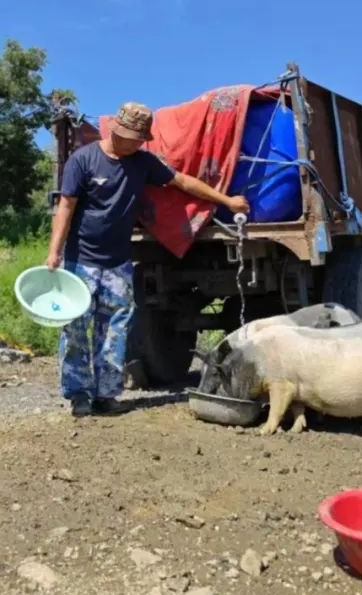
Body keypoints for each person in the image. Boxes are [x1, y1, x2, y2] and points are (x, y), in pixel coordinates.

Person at [46, 101, 249, 417]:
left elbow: (181, 181)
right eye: (134, 138)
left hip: (118, 263)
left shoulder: (142, 163)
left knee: (114, 331)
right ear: (117, 132)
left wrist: (226, 201)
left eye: (142, 139)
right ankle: (78, 395)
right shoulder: (82, 160)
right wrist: (54, 252)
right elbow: (66, 207)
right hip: (80, 262)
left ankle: (106, 395)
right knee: (76, 330)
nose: (139, 144)